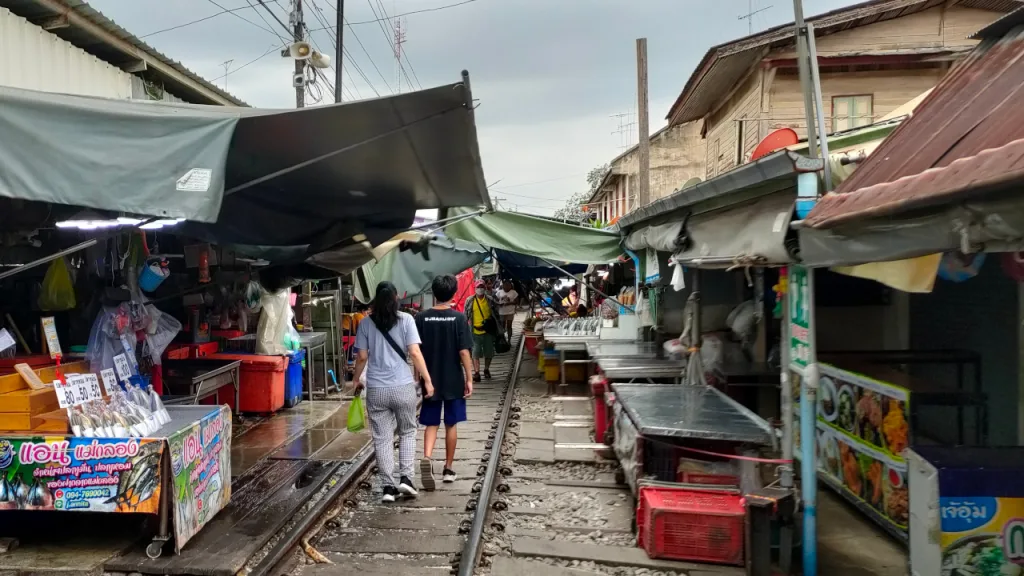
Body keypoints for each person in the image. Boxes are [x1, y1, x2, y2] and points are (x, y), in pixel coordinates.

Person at [353, 281, 434, 503]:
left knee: (382, 438)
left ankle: (388, 487)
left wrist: (355, 380)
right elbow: (415, 353)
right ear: (396, 298)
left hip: (377, 389)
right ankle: (406, 480)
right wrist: (427, 380)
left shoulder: (365, 324)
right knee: (408, 431)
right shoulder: (407, 320)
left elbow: (361, 357)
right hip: (402, 387)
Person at [415, 275, 474, 490]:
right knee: (451, 424)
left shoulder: (421, 318)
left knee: (431, 423)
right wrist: (469, 378)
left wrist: (418, 376)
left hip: (430, 379)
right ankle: (448, 469)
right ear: (453, 293)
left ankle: (428, 458)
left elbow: (415, 351)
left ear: (434, 293)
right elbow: (464, 352)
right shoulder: (458, 319)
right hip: (453, 379)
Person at [464, 280, 497, 381]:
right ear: (475, 288)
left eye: (482, 287)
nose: (480, 289)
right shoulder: (470, 300)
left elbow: (496, 314)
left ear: (485, 288)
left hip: (488, 332)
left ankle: (486, 369)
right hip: (474, 331)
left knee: (489, 352)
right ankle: (477, 372)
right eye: (478, 287)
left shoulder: (490, 300)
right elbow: (465, 315)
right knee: (475, 353)